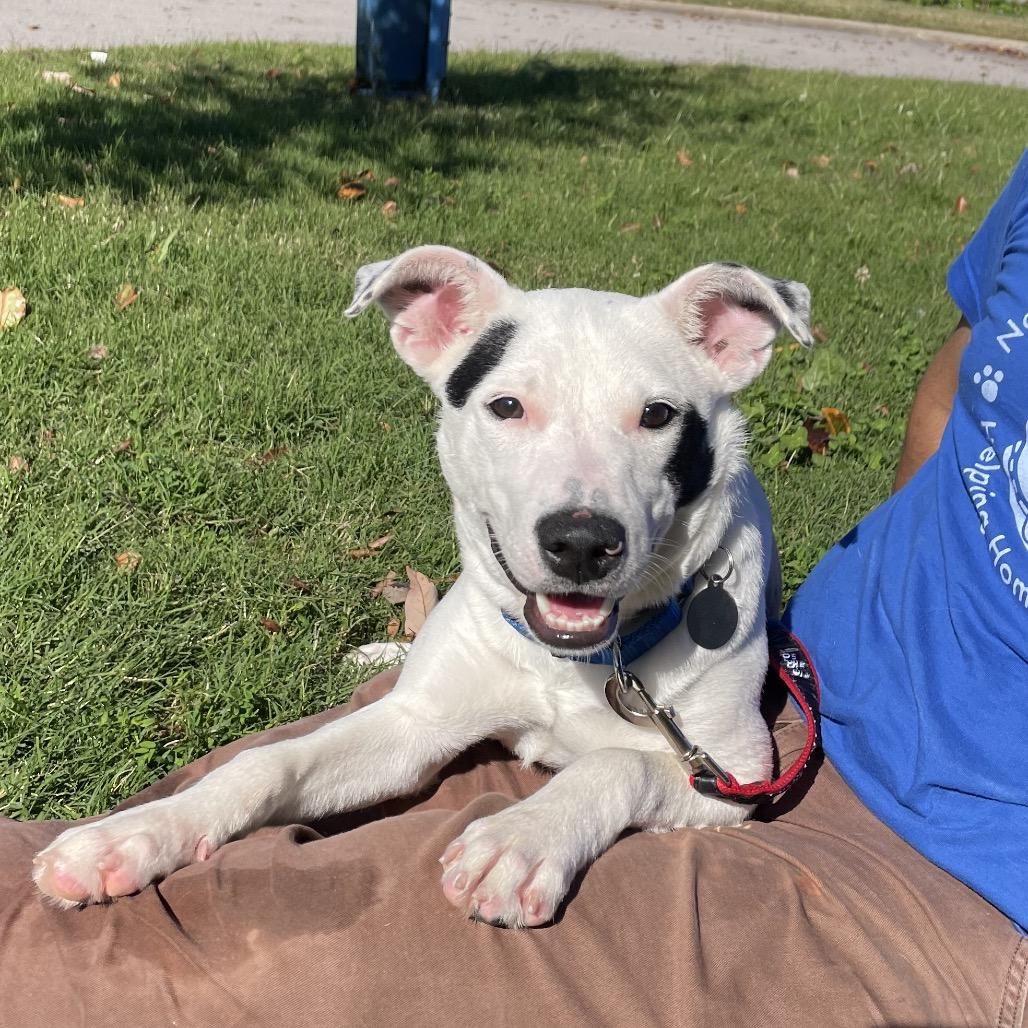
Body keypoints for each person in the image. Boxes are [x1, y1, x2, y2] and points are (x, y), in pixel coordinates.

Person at [1, 151, 1026, 1028]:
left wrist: (601, 786)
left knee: (183, 964)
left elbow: (718, 775)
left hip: (938, 851)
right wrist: (213, 811)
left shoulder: (706, 577)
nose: (583, 514)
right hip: (629, 653)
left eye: (650, 416)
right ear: (427, 338)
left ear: (732, 351)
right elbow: (409, 728)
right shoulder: (508, 558)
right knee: (185, 830)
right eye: (509, 408)